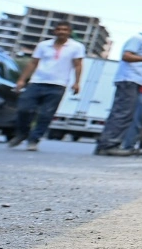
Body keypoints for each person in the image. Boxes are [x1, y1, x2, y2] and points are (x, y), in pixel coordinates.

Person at [8, 20, 85, 151]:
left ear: (69, 32)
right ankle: (22, 134)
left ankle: (34, 140)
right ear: (54, 31)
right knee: (24, 109)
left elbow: (78, 65)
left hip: (58, 85)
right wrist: (22, 80)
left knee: (46, 115)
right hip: (36, 82)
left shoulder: (76, 47)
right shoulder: (43, 45)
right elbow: (33, 62)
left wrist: (76, 82)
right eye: (59, 29)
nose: (62, 32)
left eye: (65, 30)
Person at [96, 22, 142, 156]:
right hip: (128, 80)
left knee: (125, 113)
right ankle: (109, 145)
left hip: (134, 82)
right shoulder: (137, 39)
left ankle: (107, 144)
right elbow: (126, 56)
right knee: (123, 113)